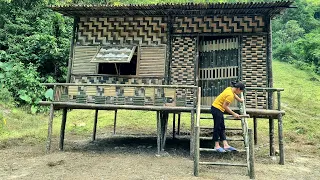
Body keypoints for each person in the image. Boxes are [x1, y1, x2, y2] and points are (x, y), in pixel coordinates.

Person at [211, 81, 245, 152]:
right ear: (238, 89)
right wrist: (234, 114)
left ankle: (226, 145)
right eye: (241, 91)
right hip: (216, 109)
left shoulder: (230, 89)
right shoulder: (230, 95)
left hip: (219, 109)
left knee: (222, 127)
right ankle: (216, 145)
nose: (240, 93)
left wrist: (240, 100)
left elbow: (234, 94)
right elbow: (225, 106)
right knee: (217, 127)